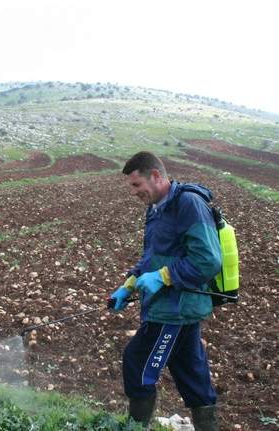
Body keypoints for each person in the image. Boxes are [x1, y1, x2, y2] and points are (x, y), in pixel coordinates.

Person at [109, 151, 221, 430]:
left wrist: (163, 277)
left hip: (174, 309)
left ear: (156, 176)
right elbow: (152, 256)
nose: (134, 192)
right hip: (174, 308)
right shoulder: (157, 208)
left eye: (137, 185)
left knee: (137, 363)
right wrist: (129, 284)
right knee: (192, 374)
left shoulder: (188, 204)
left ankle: (136, 427)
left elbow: (209, 260)